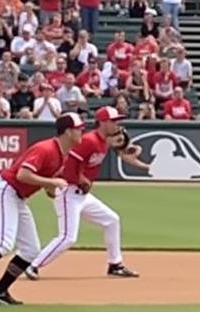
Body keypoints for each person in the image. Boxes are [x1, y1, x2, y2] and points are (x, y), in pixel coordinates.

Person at [0, 114, 85, 306]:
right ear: (68, 131)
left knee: (31, 250)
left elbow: (46, 185)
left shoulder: (63, 154)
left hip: (17, 197)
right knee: (5, 243)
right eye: (79, 128)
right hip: (5, 190)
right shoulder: (46, 149)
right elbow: (23, 174)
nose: (82, 131)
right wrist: (51, 182)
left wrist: (52, 190)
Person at [24, 106, 145, 281]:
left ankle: (115, 264)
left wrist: (130, 151)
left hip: (81, 195)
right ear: (102, 123)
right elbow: (69, 165)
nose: (117, 124)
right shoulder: (89, 140)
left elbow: (119, 149)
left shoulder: (103, 141)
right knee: (68, 237)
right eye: (113, 121)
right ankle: (33, 265)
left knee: (111, 220)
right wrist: (80, 178)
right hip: (68, 192)